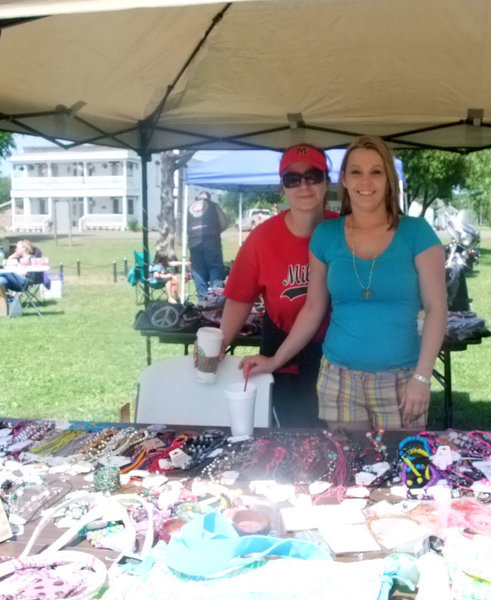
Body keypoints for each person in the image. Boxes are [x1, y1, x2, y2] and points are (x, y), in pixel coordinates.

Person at [241, 136, 447, 430]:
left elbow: (437, 309)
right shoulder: (326, 235)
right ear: (343, 180)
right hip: (339, 380)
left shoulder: (417, 233)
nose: (366, 181)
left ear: (389, 178)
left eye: (376, 171)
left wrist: (422, 377)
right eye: (356, 172)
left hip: (402, 380)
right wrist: (275, 360)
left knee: (400, 470)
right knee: (347, 471)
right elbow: (313, 309)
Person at [221, 144, 337, 427]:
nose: (304, 185)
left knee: (339, 439)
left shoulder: (344, 230)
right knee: (292, 436)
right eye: (292, 179)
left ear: (327, 181)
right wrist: (217, 347)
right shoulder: (262, 238)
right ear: (282, 187)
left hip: (337, 350)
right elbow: (239, 298)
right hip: (283, 347)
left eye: (313, 175)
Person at [187, 191, 228, 299]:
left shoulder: (189, 208)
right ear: (209, 199)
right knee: (215, 268)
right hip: (211, 239)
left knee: (198, 271)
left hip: (193, 242)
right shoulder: (213, 205)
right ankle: (214, 299)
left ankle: (202, 301)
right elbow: (224, 223)